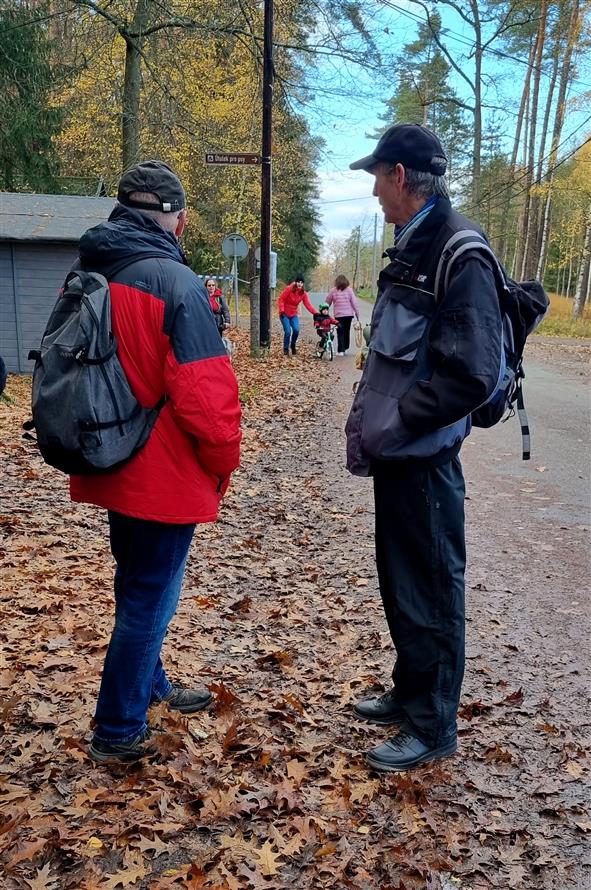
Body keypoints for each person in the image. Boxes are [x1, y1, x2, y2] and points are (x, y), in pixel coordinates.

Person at [69, 160, 242, 763]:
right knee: (150, 595)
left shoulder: (91, 269)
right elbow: (207, 395)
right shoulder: (175, 282)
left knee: (136, 584)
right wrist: (224, 461)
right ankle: (118, 728)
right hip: (162, 471)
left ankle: (152, 684)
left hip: (107, 454)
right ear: (176, 218)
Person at [346, 124, 502, 772]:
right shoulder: (413, 245)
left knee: (433, 591)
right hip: (398, 457)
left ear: (400, 177)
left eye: (376, 179)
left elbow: (473, 372)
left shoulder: (457, 251)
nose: (375, 193)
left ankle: (432, 724)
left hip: (424, 460)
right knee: (402, 584)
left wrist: (399, 422)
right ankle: (410, 692)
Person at [277, 276, 317, 355]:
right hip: (284, 314)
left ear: (303, 284)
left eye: (301, 282)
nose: (300, 284)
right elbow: (281, 299)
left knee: (296, 330)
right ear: (295, 282)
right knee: (288, 331)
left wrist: (315, 313)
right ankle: (285, 349)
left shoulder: (303, 293)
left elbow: (308, 304)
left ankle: (293, 345)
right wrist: (281, 311)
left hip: (293, 314)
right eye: (298, 282)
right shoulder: (289, 289)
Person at [326, 275, 360, 355]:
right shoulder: (349, 290)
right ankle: (345, 348)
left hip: (339, 316)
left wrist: (324, 310)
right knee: (346, 331)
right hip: (348, 315)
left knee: (340, 332)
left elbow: (327, 301)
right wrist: (357, 313)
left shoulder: (333, 291)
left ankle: (341, 350)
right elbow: (354, 302)